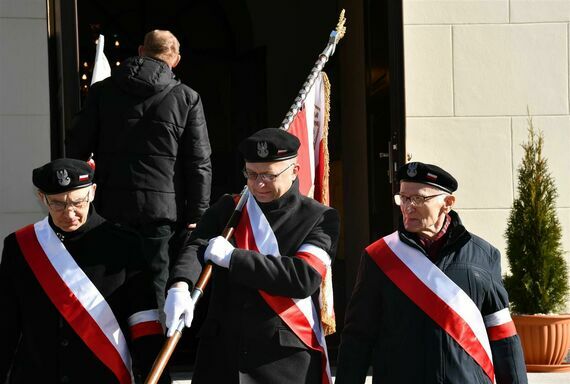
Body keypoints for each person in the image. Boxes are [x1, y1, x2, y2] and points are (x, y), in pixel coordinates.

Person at [164, 128, 340, 383]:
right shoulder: (230, 207)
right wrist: (180, 285)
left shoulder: (319, 217)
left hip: (281, 362)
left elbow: (304, 278)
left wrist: (235, 259)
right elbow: (196, 247)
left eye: (269, 175)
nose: (259, 184)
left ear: (294, 171)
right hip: (222, 356)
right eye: (252, 174)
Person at [335, 161, 527, 384]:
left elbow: (502, 335)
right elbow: (357, 337)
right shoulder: (379, 257)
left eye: (418, 198)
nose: (408, 207)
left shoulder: (485, 255)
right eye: (403, 198)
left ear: (448, 203)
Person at [67, 29, 212, 314]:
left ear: (141, 51)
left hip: (109, 208)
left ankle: (113, 356)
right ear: (176, 59)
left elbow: (76, 148)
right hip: (161, 214)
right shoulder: (187, 98)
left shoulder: (102, 91)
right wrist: (198, 215)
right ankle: (154, 355)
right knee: (157, 290)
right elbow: (199, 163)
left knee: (107, 289)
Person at [0, 158, 170, 383]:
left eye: (78, 202)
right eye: (58, 203)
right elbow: (6, 322)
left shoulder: (124, 244)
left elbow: (143, 323)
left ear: (92, 192)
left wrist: (155, 377)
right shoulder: (20, 246)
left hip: (101, 374)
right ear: (42, 198)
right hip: (38, 374)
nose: (69, 213)